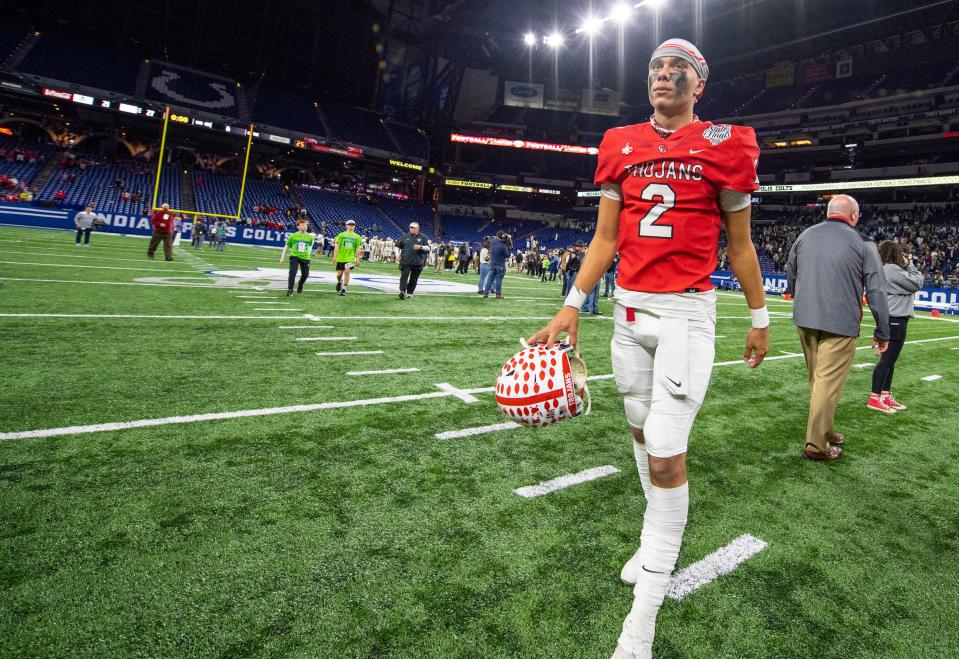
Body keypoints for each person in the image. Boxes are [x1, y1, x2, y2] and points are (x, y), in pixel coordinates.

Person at [529, 39, 770, 659]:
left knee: (666, 451)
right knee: (640, 434)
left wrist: (760, 315)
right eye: (656, 70)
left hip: (687, 312)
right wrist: (571, 305)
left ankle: (642, 623)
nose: (664, 77)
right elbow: (604, 238)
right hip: (629, 315)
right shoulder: (621, 143)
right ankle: (654, 536)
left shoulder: (726, 143)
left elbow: (740, 246)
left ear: (699, 84)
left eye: (678, 70)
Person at [785, 194, 890, 461]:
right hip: (840, 322)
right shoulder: (863, 242)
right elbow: (877, 289)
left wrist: (801, 299)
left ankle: (826, 429)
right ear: (853, 215)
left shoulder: (805, 235)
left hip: (805, 317)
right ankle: (817, 445)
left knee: (818, 381)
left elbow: (791, 271)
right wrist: (883, 330)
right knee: (827, 382)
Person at [868, 240, 924, 413]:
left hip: (892, 316)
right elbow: (917, 283)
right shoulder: (892, 269)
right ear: (894, 253)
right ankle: (875, 397)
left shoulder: (884, 268)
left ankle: (884, 394)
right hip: (896, 317)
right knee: (887, 360)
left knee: (890, 360)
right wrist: (909, 264)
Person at [280, 218, 315, 296]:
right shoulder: (293, 236)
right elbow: (287, 246)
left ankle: (300, 284)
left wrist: (309, 257)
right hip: (294, 256)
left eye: (305, 225)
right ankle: (290, 289)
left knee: (305, 274)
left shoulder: (310, 237)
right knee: (292, 273)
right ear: (298, 226)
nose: (304, 226)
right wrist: (282, 257)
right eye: (302, 225)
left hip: (305, 257)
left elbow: (309, 248)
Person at [396, 222, 431, 299]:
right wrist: (397, 254)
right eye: (410, 227)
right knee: (404, 277)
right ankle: (402, 291)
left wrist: (421, 247)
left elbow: (428, 248)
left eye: (413, 228)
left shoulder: (423, 237)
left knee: (414, 278)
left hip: (417, 261)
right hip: (405, 261)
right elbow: (397, 245)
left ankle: (410, 292)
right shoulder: (405, 236)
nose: (411, 229)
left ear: (417, 229)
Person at [332, 219, 362, 296]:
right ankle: (339, 282)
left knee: (347, 271)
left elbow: (358, 249)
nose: (351, 226)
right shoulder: (341, 235)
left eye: (353, 225)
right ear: (346, 225)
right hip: (341, 257)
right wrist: (334, 256)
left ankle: (344, 288)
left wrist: (357, 259)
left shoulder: (357, 237)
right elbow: (337, 246)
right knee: (339, 275)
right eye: (349, 224)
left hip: (350, 258)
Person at [483, 231, 509, 299]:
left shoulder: (493, 241)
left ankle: (486, 293)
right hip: (500, 264)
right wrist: (508, 244)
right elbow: (507, 255)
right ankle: (498, 295)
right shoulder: (504, 246)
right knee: (498, 280)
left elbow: (489, 238)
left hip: (492, 264)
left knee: (490, 279)